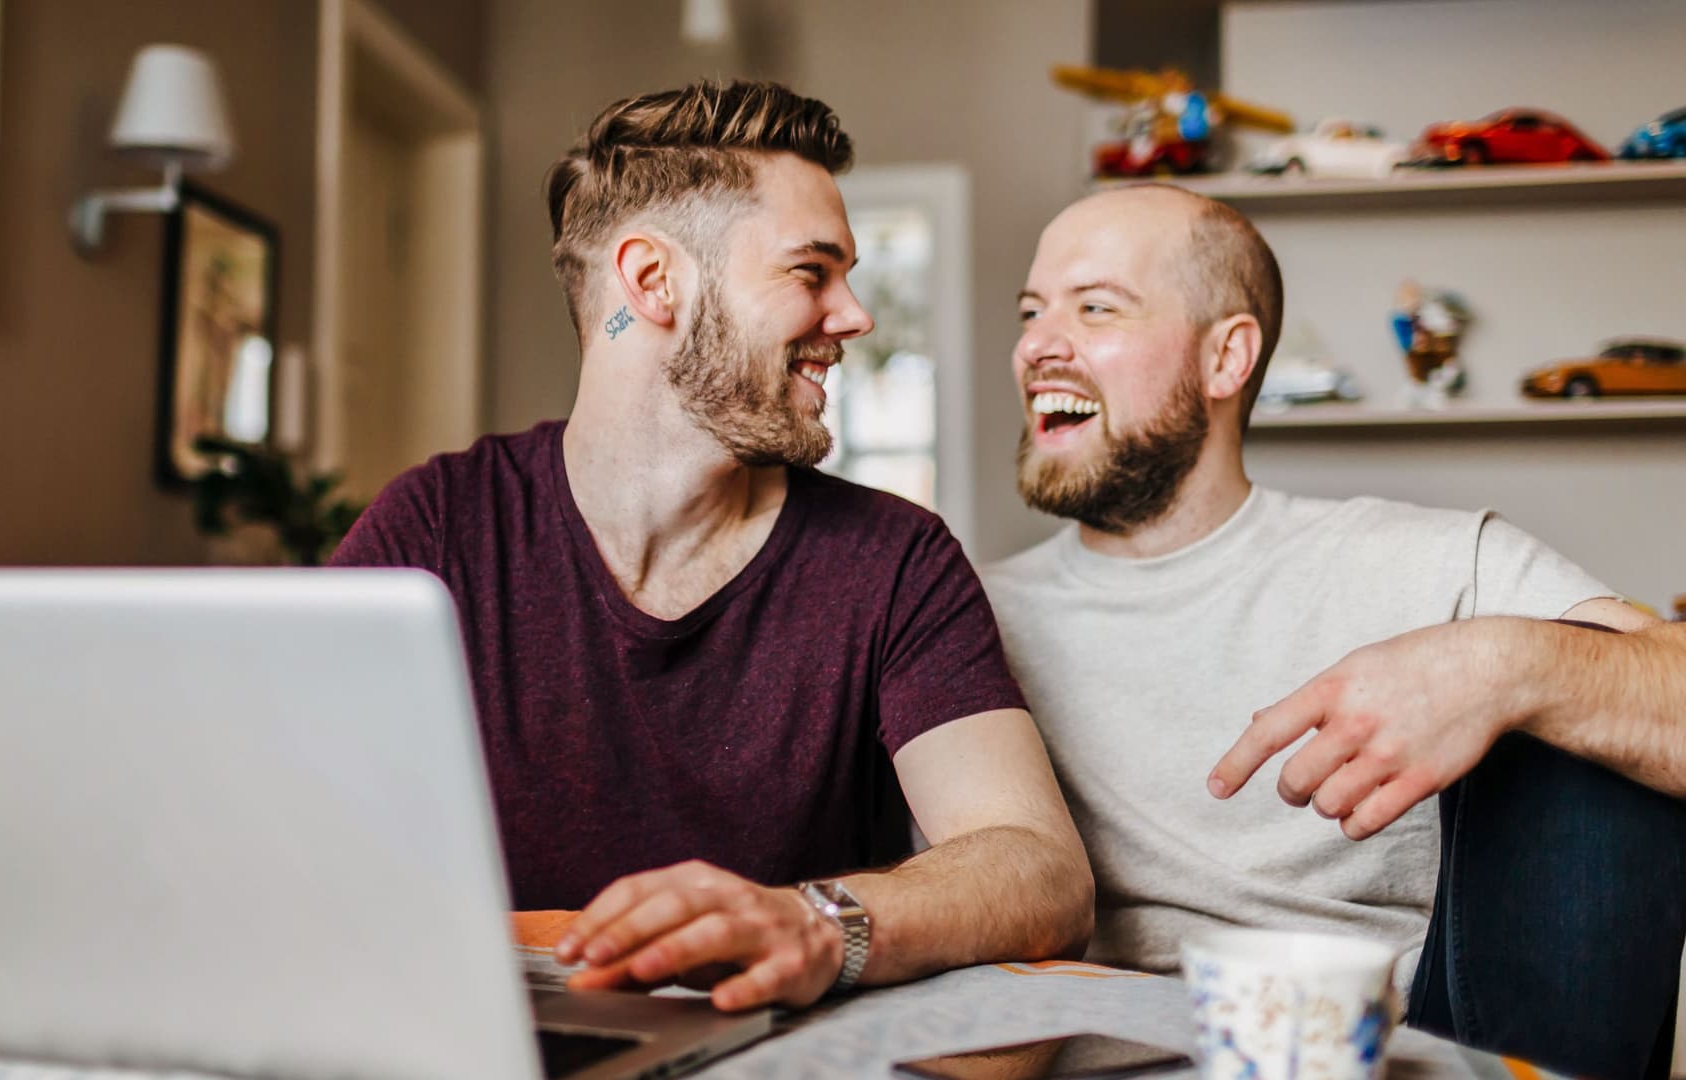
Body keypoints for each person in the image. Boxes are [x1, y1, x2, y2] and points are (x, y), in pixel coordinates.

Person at [331, 81, 1093, 1012]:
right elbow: (278, 813)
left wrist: (815, 925)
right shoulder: (438, 527)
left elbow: (1039, 868)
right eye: (811, 272)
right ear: (652, 282)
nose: (854, 315)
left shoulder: (894, 561)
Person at [982, 183, 1686, 1077]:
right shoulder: (956, 614)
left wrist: (1505, 662)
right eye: (1032, 312)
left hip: (1405, 1055)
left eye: (1095, 309)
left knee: (1593, 695)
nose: (1038, 346)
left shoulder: (1435, 564)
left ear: (1227, 357)